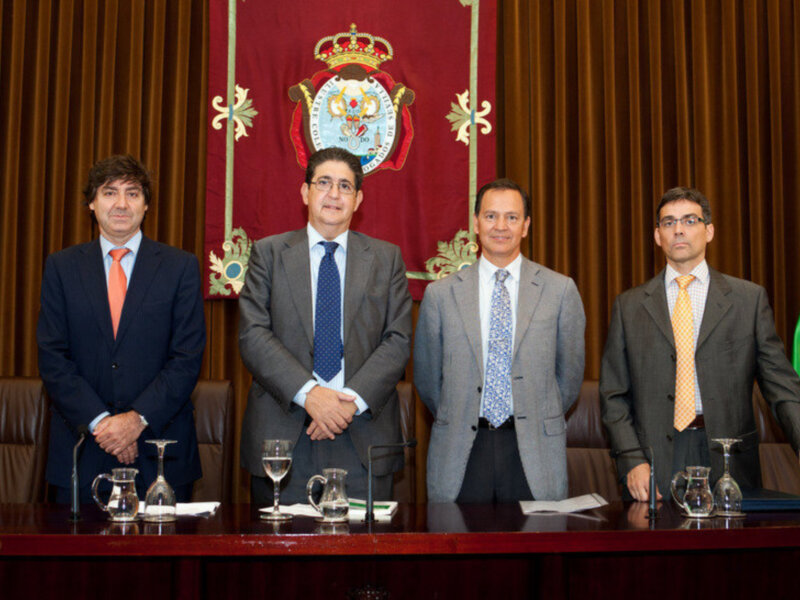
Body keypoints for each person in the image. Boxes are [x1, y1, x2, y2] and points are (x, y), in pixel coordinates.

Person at [600, 186, 800, 502]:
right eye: (668, 222)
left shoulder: (748, 300)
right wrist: (631, 461)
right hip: (654, 460)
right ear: (657, 236)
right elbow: (613, 396)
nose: (678, 229)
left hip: (728, 457)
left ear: (709, 231)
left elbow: (782, 388)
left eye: (690, 220)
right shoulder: (629, 306)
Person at [238, 147, 412, 505]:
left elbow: (397, 340)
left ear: (358, 199)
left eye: (345, 186)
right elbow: (253, 335)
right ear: (305, 192)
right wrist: (311, 395)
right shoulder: (268, 254)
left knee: (364, 559)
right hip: (284, 438)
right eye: (324, 183)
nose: (334, 194)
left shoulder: (386, 258)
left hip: (362, 436)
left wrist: (347, 405)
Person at [37, 155, 206, 502]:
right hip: (82, 450)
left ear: (146, 206)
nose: (121, 203)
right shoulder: (61, 267)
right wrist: (103, 424)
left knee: (165, 557)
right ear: (91, 203)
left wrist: (135, 421)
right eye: (109, 192)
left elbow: (186, 358)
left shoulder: (180, 267)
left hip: (160, 452)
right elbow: (53, 358)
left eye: (132, 193)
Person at [414, 179, 586, 503]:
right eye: (491, 216)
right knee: (459, 550)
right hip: (462, 450)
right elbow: (427, 379)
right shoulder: (440, 295)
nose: (501, 226)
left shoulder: (560, 291)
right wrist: (461, 410)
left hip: (533, 448)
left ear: (525, 226)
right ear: (476, 223)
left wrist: (533, 410)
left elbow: (569, 377)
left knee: (534, 550)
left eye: (512, 217)